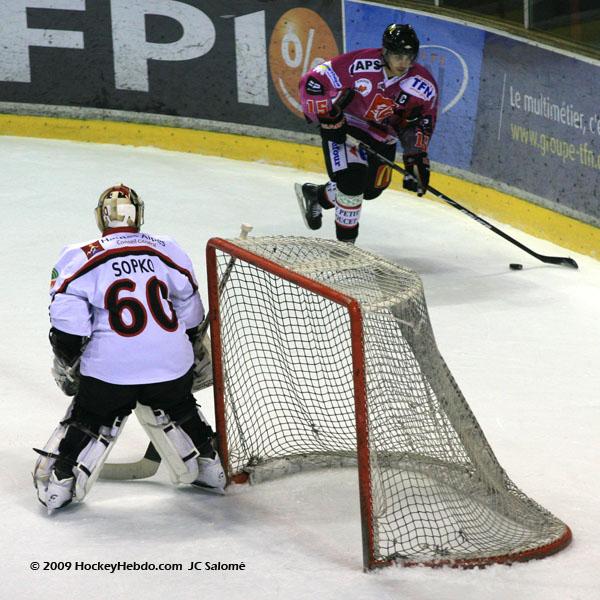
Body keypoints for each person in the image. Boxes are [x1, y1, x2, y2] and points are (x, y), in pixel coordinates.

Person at [33, 184, 224, 513]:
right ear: (139, 215)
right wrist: (190, 344)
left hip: (110, 371)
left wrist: (68, 359)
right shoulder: (167, 249)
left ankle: (62, 481)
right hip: (171, 366)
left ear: (101, 217)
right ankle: (209, 463)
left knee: (90, 415)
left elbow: (68, 324)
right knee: (180, 404)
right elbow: (191, 312)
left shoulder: (79, 256)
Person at [296, 23, 438, 243]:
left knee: (371, 190)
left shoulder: (422, 84)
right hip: (347, 126)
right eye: (398, 55)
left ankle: (318, 195)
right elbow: (314, 82)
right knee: (352, 180)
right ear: (386, 52)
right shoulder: (360, 63)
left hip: (383, 137)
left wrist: (416, 155)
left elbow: (421, 122)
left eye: (409, 56)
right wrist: (327, 115)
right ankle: (345, 249)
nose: (404, 62)